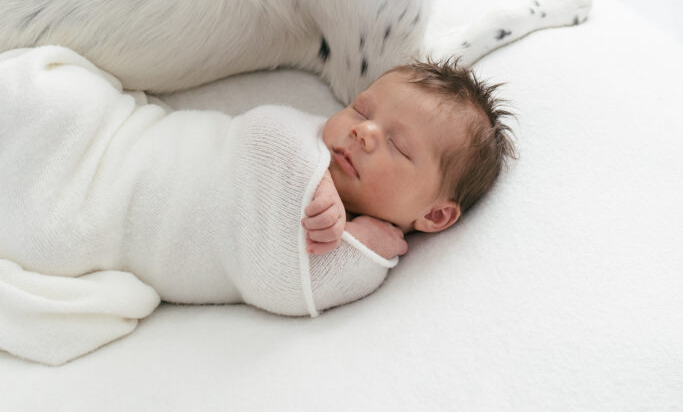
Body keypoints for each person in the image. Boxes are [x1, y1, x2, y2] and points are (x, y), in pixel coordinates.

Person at [0, 47, 516, 366]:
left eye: (399, 147)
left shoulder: (347, 252)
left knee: (45, 235)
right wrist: (309, 183)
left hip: (100, 215)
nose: (363, 130)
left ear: (435, 216)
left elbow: (282, 286)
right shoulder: (305, 139)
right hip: (109, 137)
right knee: (53, 98)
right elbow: (259, 131)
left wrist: (364, 249)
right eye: (362, 108)